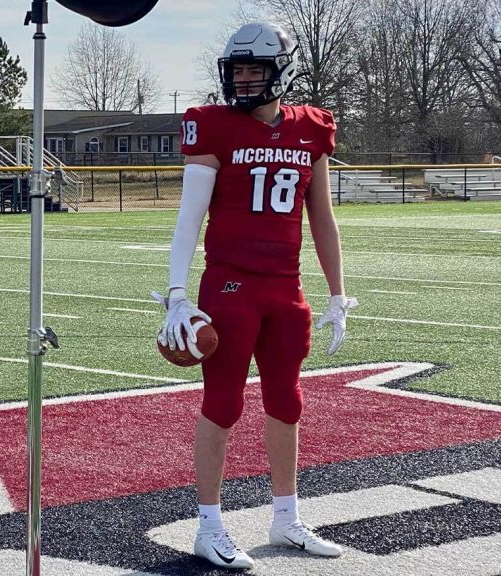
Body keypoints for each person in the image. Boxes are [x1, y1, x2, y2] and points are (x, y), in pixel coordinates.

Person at [157, 22, 359, 570]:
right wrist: (177, 294)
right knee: (222, 404)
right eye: (238, 70)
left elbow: (323, 219)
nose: (244, 81)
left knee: (287, 402)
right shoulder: (212, 125)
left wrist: (338, 293)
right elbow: (187, 219)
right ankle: (208, 526)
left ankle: (286, 517)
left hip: (286, 287)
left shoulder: (312, 127)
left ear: (282, 72)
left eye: (256, 70)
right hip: (230, 285)